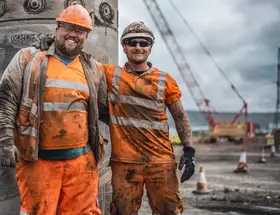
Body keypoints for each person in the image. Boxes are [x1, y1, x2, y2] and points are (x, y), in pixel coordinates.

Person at [35, 21, 196, 215]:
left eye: (144, 43)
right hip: (125, 164)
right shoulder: (109, 74)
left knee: (169, 211)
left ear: (150, 48)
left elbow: (180, 116)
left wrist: (189, 150)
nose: (138, 47)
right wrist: (54, 43)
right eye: (132, 42)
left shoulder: (165, 80)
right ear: (124, 47)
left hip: (160, 162)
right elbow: (79, 60)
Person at [0, 4, 108, 215]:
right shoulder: (28, 58)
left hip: (82, 165)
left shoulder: (94, 69)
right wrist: (6, 141)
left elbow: (111, 110)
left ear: (86, 35)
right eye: (68, 27)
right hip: (39, 163)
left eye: (79, 30)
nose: (73, 34)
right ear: (57, 29)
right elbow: (5, 99)